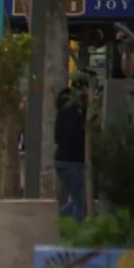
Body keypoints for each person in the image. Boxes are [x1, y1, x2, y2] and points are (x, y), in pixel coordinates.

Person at [54, 74, 88, 221]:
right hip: (72, 160)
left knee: (76, 200)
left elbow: (57, 137)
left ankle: (61, 219)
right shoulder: (75, 111)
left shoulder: (63, 110)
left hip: (61, 159)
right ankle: (74, 231)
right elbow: (75, 136)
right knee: (78, 201)